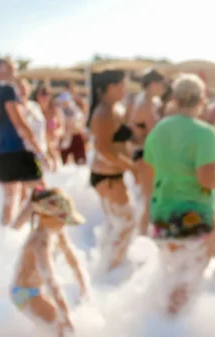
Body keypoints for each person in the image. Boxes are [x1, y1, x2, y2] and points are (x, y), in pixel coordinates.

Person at [143, 73, 215, 315]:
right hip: (194, 217)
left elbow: (147, 173)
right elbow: (206, 177)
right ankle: (175, 327)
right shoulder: (204, 132)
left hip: (161, 214)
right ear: (202, 99)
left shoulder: (158, 130)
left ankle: (159, 327)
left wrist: (147, 209)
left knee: (170, 276)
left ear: (174, 99)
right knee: (187, 284)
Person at [0, 57, 48, 225]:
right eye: (13, 70)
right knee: (42, 191)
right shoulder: (6, 89)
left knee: (10, 197)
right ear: (2, 69)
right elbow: (18, 122)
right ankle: (23, 230)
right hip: (16, 149)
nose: (15, 74)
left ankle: (4, 238)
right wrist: (39, 150)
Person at [9, 187, 88, 337]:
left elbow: (71, 256)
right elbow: (50, 280)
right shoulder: (39, 242)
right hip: (24, 293)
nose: (64, 224)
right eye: (62, 219)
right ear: (46, 216)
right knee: (61, 330)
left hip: (36, 288)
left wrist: (83, 282)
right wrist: (65, 314)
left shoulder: (56, 230)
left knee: (53, 327)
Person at [87, 70, 137, 273]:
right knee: (126, 224)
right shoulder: (104, 112)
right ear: (105, 89)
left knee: (116, 224)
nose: (124, 89)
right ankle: (111, 270)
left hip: (110, 176)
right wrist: (133, 168)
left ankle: (106, 267)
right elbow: (103, 150)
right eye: (120, 85)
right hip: (108, 177)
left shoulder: (111, 109)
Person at [129, 69, 166, 235]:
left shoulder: (150, 102)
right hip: (143, 154)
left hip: (145, 153)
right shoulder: (145, 104)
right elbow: (155, 134)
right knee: (149, 198)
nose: (163, 87)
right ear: (152, 84)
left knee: (149, 198)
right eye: (161, 84)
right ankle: (143, 237)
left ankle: (143, 236)